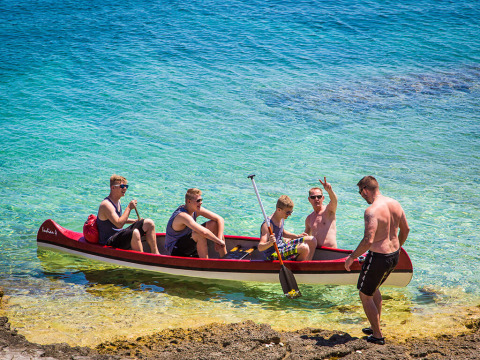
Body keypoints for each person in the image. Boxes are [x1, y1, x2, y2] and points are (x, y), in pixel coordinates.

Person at [345, 176, 410, 345]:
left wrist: (351, 257)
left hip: (378, 258)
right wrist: (397, 247)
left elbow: (368, 240)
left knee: (365, 294)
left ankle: (378, 335)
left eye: (361, 193)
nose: (362, 197)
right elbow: (406, 229)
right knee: (374, 289)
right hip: (394, 255)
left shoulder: (371, 211)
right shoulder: (394, 203)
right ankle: (375, 325)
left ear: (366, 190)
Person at [96, 174, 160, 254]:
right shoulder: (106, 205)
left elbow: (119, 218)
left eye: (126, 186)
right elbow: (119, 224)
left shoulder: (117, 201)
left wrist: (134, 221)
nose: (125, 188)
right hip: (109, 240)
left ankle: (156, 254)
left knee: (149, 223)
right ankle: (142, 259)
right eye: (122, 186)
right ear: (113, 187)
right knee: (135, 232)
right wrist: (129, 207)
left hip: (118, 234)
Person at [165, 188, 227, 258]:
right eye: (198, 201)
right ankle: (205, 265)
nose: (201, 202)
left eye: (201, 200)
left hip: (188, 242)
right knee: (199, 234)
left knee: (214, 224)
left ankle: (225, 259)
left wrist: (219, 239)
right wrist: (218, 241)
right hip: (175, 250)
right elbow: (204, 232)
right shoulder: (182, 215)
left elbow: (219, 219)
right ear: (189, 201)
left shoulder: (195, 209)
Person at [259, 195, 317, 261]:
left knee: (312, 240)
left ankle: (308, 264)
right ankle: (299, 269)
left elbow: (282, 233)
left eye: (291, 212)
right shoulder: (268, 225)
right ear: (279, 210)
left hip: (282, 246)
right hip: (273, 254)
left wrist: (297, 236)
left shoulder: (281, 218)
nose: (289, 214)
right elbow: (260, 247)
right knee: (304, 248)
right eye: (288, 212)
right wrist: (270, 243)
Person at [304, 177, 338, 248]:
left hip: (331, 251)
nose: (316, 199)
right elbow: (305, 237)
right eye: (313, 197)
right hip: (317, 252)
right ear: (309, 199)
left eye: (319, 197)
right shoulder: (309, 219)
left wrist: (329, 190)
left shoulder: (329, 211)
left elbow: (334, 201)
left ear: (323, 198)